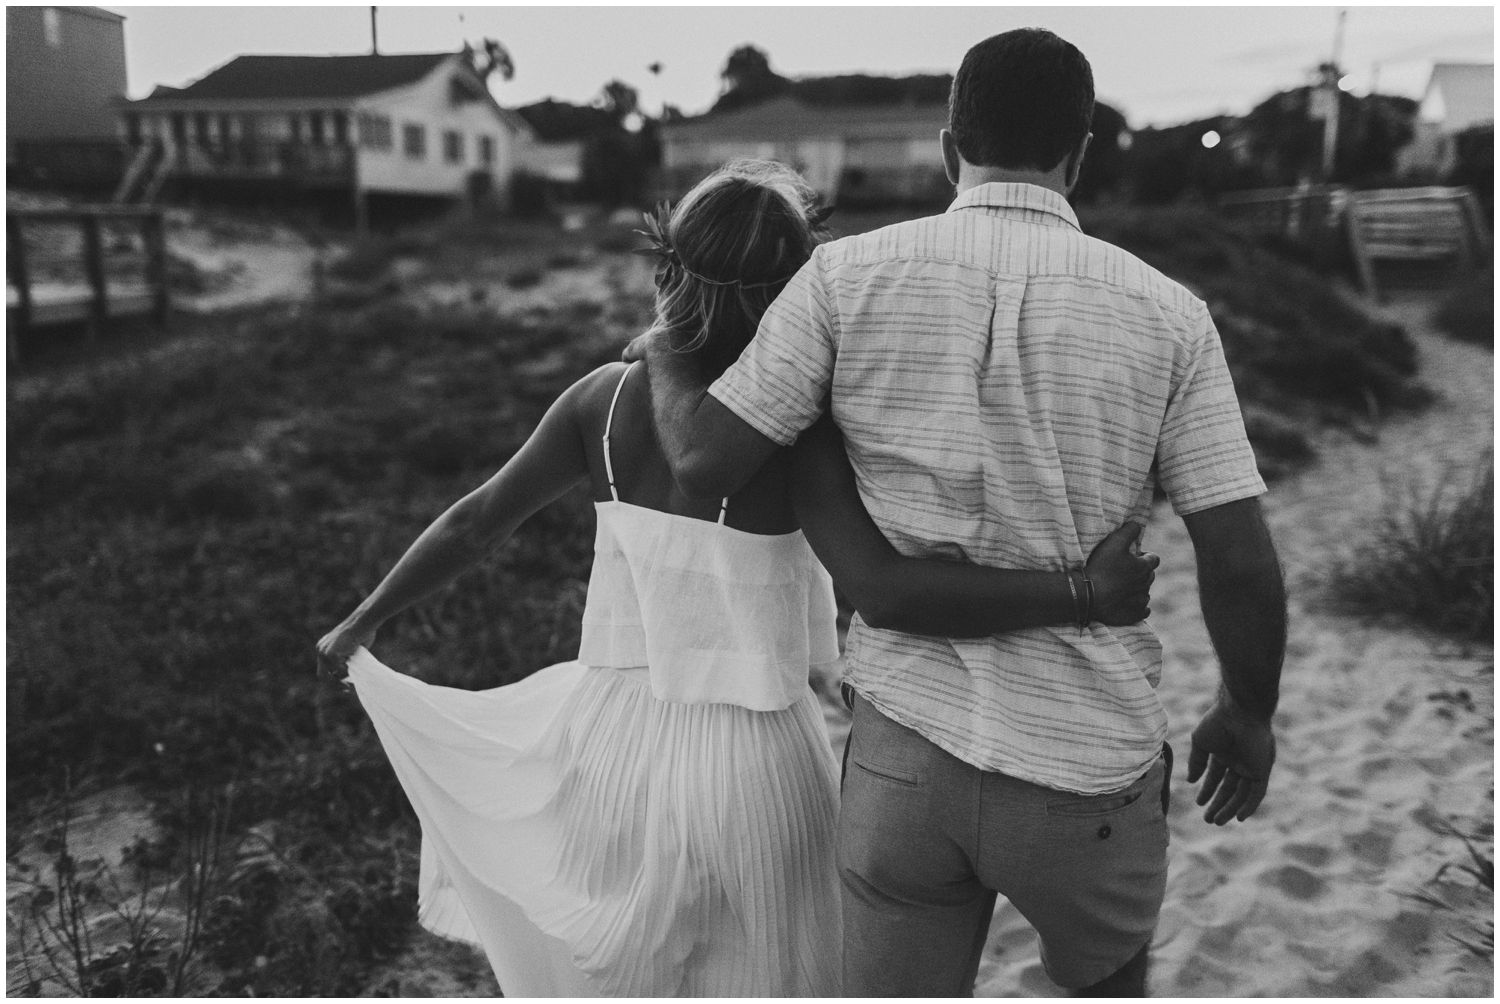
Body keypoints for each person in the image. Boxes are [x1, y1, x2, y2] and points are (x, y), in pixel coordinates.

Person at [316, 160, 1160, 997]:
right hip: (751, 761)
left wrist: (365, 618)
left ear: (670, 270)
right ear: (798, 286)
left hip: (608, 745)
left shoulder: (600, 402)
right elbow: (882, 580)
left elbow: (476, 522)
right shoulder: (803, 433)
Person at [630, 29, 1287, 998]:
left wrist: (665, 340)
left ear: (948, 148)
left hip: (904, 755)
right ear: (1080, 153)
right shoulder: (1170, 313)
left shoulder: (842, 279)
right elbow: (1235, 554)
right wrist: (1246, 709)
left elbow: (702, 465)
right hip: (1085, 762)